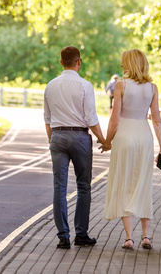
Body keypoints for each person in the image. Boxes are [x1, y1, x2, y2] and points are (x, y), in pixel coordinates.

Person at [100, 49, 161, 250]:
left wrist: (107, 141)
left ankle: (129, 238)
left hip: (125, 136)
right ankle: (146, 236)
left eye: (124, 63)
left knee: (123, 184)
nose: (121, 66)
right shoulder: (152, 88)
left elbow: (115, 119)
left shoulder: (121, 86)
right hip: (144, 137)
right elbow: (156, 121)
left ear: (129, 65)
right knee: (144, 185)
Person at [44, 46, 106, 249]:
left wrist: (53, 141)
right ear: (79, 62)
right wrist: (103, 140)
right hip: (79, 137)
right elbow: (90, 118)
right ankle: (81, 234)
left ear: (61, 62)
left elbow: (47, 119)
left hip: (58, 136)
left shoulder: (50, 86)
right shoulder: (85, 85)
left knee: (59, 187)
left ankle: (63, 236)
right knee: (83, 186)